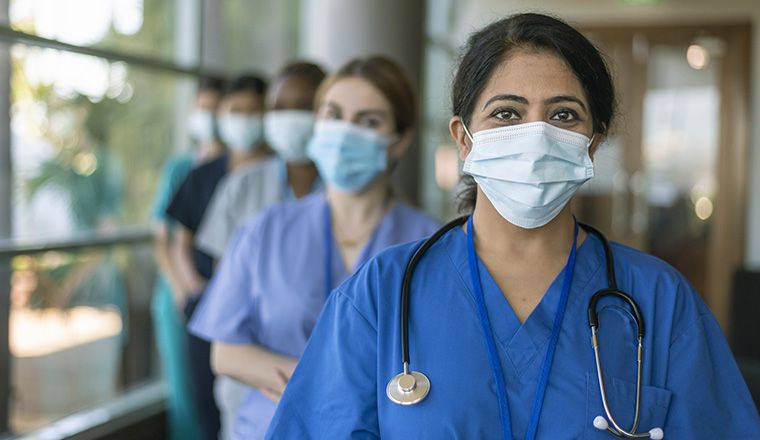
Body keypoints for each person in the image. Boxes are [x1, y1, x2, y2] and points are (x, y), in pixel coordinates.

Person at [266, 13, 760, 439]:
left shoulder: (658, 302)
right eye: (507, 113)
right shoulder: (382, 293)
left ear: (592, 144)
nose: (536, 135)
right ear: (464, 139)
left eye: (564, 115)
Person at [188, 56, 441, 439]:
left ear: (400, 140)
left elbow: (439, 362)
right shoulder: (264, 231)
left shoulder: (431, 245)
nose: (345, 132)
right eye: (333, 115)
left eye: (368, 122)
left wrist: (298, 379)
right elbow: (226, 353)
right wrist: (329, 386)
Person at [193, 61, 325, 440]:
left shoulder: (354, 196)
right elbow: (227, 299)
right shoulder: (243, 186)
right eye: (278, 108)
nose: (289, 118)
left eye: (302, 106)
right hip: (252, 391)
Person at [166, 73, 268, 440]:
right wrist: (194, 291)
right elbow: (180, 241)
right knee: (206, 409)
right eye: (235, 111)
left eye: (253, 111)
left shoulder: (281, 177)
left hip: (262, 317)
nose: (242, 120)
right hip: (210, 305)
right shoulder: (205, 175)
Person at [151, 75, 226, 440]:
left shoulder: (236, 170)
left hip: (216, 298)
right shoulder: (181, 168)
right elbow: (163, 239)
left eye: (215, 109)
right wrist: (185, 292)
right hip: (181, 297)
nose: (207, 117)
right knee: (187, 397)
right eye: (201, 109)